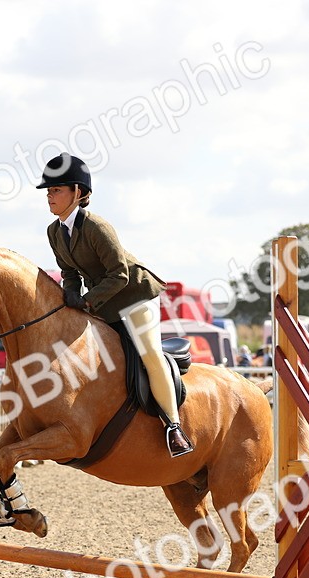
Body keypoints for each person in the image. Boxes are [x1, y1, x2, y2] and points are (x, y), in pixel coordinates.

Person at [37, 153, 192, 457]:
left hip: (135, 296)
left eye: (56, 190)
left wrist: (86, 300)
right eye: (48, 191)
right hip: (103, 302)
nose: (49, 196)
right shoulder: (54, 231)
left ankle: (174, 427)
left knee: (147, 354)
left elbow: (119, 275)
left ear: (78, 193)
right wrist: (70, 296)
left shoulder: (96, 227)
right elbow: (69, 272)